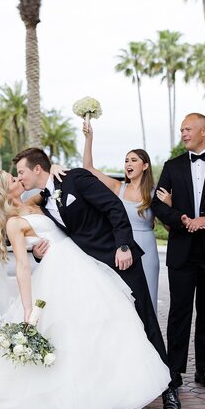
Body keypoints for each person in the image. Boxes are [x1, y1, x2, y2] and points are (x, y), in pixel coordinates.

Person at [0, 170, 170, 409]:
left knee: (105, 324)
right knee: (71, 333)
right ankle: (85, 393)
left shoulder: (34, 201)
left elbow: (50, 186)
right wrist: (27, 308)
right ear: (5, 191)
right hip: (58, 273)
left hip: (82, 263)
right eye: (13, 179)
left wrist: (54, 165)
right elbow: (22, 267)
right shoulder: (13, 222)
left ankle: (115, 385)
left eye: (18, 174)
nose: (17, 179)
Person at [12, 147, 181, 409]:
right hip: (90, 270)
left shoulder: (76, 179)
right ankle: (123, 390)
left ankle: (170, 389)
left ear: (37, 168)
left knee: (145, 321)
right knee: (117, 328)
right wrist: (38, 254)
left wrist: (124, 245)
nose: (19, 177)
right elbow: (58, 236)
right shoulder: (43, 201)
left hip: (118, 259)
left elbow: (113, 206)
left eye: (21, 172)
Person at [152, 113, 205, 391]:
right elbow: (158, 205)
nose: (184, 134)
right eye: (181, 130)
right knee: (179, 312)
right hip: (182, 250)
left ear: (204, 131)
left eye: (188, 129)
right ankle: (174, 372)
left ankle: (204, 370)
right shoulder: (172, 166)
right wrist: (181, 219)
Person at [82, 119, 160, 312]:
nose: (128, 164)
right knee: (123, 300)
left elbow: (168, 224)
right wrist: (89, 138)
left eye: (134, 160)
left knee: (148, 299)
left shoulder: (155, 193)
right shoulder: (118, 187)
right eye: (126, 160)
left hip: (148, 248)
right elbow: (88, 169)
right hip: (122, 246)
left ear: (145, 166)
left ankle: (151, 341)